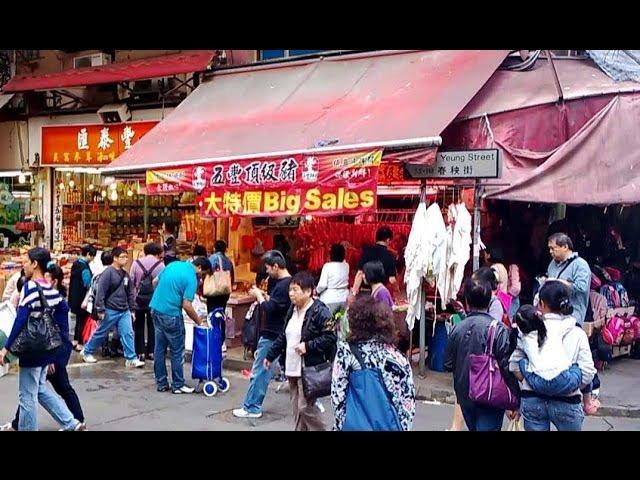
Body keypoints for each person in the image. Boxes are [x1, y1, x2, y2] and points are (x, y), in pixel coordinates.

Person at [0, 248, 86, 431]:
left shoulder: (30, 287)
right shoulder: (49, 288)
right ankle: (71, 423)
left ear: (34, 264)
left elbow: (21, 319)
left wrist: (6, 348)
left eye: (26, 261)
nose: (24, 265)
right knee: (39, 390)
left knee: (27, 395)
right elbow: (63, 310)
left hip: (32, 348)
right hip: (46, 347)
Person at [509, 281, 596, 431]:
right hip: (567, 400)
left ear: (541, 304)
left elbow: (515, 365)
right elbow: (587, 373)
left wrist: (534, 381)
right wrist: (567, 384)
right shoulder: (577, 332)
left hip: (532, 399)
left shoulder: (529, 331)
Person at [263, 271, 336, 431]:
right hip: (292, 366)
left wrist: (307, 346)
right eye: (291, 290)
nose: (291, 294)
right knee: (297, 410)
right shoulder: (292, 310)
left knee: (305, 407)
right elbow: (284, 335)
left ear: (308, 291)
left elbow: (330, 337)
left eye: (296, 290)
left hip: (308, 367)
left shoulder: (321, 311)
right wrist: (271, 355)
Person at [331, 296, 416, 431]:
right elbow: (408, 401)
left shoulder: (347, 352)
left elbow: (338, 397)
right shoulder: (398, 357)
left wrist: (341, 425)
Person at [444, 276, 517, 431]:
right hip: (490, 395)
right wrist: (515, 397)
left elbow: (448, 363)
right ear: (489, 299)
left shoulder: (457, 328)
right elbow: (506, 366)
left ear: (467, 302)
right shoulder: (498, 329)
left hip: (465, 394)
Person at [233, 250, 292, 419]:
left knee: (260, 370)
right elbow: (277, 305)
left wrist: (259, 296)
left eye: (268, 268)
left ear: (275, 266)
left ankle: (252, 406)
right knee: (288, 371)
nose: (266, 272)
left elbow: (270, 309)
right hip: (280, 332)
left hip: (272, 332)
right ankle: (312, 403)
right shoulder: (287, 284)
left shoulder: (282, 285)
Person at [149, 256, 210, 394]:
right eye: (204, 273)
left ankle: (162, 383)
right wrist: (200, 322)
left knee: (159, 349)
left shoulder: (173, 265)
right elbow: (187, 305)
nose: (202, 277)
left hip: (156, 309)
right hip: (171, 314)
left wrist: (162, 296)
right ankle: (178, 384)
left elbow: (155, 281)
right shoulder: (191, 279)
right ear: (199, 268)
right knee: (177, 350)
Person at [80, 247, 144, 368]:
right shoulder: (108, 273)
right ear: (115, 258)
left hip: (124, 310)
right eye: (122, 257)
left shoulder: (125, 274)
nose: (125, 259)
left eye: (126, 257)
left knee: (128, 333)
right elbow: (101, 292)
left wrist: (132, 310)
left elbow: (130, 293)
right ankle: (87, 351)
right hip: (110, 309)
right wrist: (100, 309)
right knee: (101, 332)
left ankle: (131, 358)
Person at [512, 304, 582, 396]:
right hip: (562, 380)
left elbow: (513, 366)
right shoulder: (552, 329)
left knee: (522, 362)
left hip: (538, 383)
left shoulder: (523, 339)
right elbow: (571, 321)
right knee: (576, 367)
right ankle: (588, 398)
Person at [543, 233, 591, 326]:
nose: (550, 251)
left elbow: (582, 287)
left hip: (572, 316)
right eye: (549, 248)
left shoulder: (580, 265)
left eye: (553, 248)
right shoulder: (552, 264)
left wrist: (562, 284)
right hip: (553, 316)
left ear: (565, 247)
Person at [129, 242, 165, 362]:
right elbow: (162, 283)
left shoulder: (136, 263)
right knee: (153, 325)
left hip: (138, 299)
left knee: (138, 326)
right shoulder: (161, 265)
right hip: (154, 299)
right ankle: (151, 351)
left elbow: (131, 282)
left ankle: (140, 352)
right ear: (157, 253)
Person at [351, 226, 397, 297]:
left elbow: (360, 273)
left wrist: (354, 292)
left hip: (364, 292)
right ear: (388, 240)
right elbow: (392, 280)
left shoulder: (367, 251)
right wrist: (397, 291)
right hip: (380, 293)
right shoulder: (390, 256)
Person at [69, 244, 97, 352]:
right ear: (89, 254)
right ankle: (80, 343)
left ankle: (75, 340)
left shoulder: (76, 264)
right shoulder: (84, 267)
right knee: (82, 320)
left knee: (78, 320)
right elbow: (87, 283)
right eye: (93, 256)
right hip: (82, 299)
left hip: (74, 297)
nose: (93, 259)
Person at [316, 243, 349, 314]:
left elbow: (322, 285)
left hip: (329, 299)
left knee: (329, 322)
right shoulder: (346, 266)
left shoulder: (327, 266)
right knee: (341, 321)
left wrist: (316, 291)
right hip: (344, 298)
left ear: (331, 255)